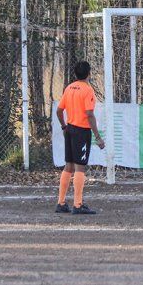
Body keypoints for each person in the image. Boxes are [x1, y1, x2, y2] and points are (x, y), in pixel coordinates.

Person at [54, 61, 105, 215]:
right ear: (89, 74)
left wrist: (64, 126)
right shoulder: (87, 90)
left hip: (69, 129)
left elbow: (59, 110)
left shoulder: (69, 88)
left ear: (75, 74)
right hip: (81, 131)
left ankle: (61, 203)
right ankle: (77, 204)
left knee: (68, 166)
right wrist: (97, 136)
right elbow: (89, 114)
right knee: (80, 167)